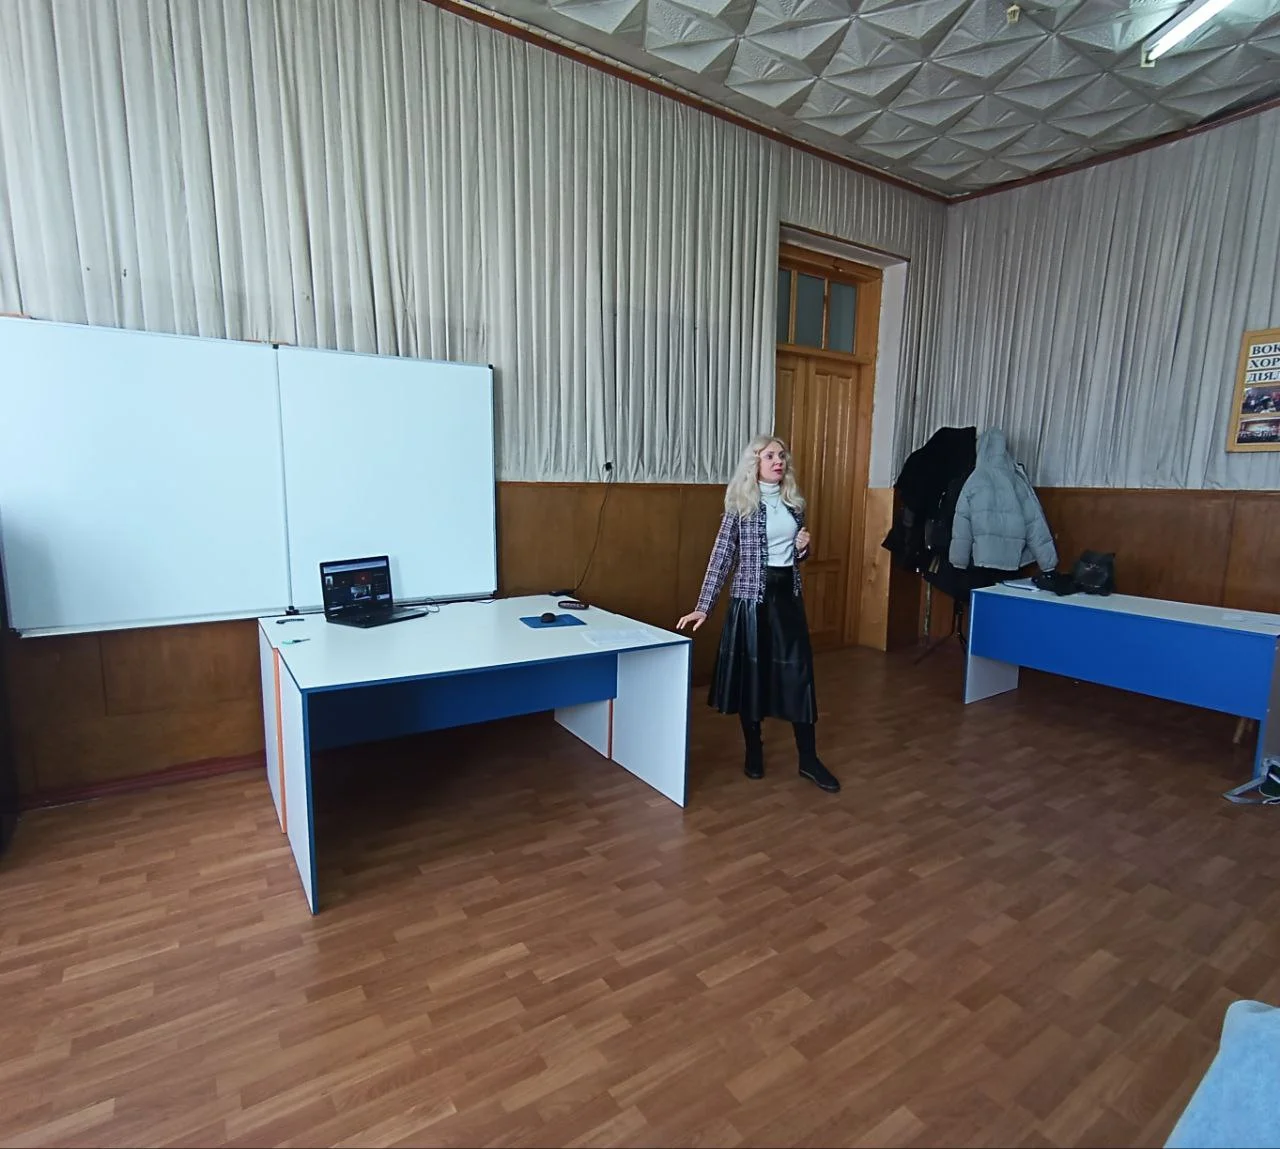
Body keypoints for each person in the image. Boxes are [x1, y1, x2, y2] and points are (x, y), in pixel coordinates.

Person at [677, 435, 840, 793]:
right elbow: (722, 557)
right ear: (755, 463)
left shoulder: (793, 504)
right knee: (752, 678)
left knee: (799, 676)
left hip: (787, 600)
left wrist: (803, 548)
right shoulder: (741, 505)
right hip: (751, 602)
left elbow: (795, 557)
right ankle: (753, 750)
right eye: (770, 456)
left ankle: (809, 760)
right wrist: (704, 605)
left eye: (781, 455)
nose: (779, 461)